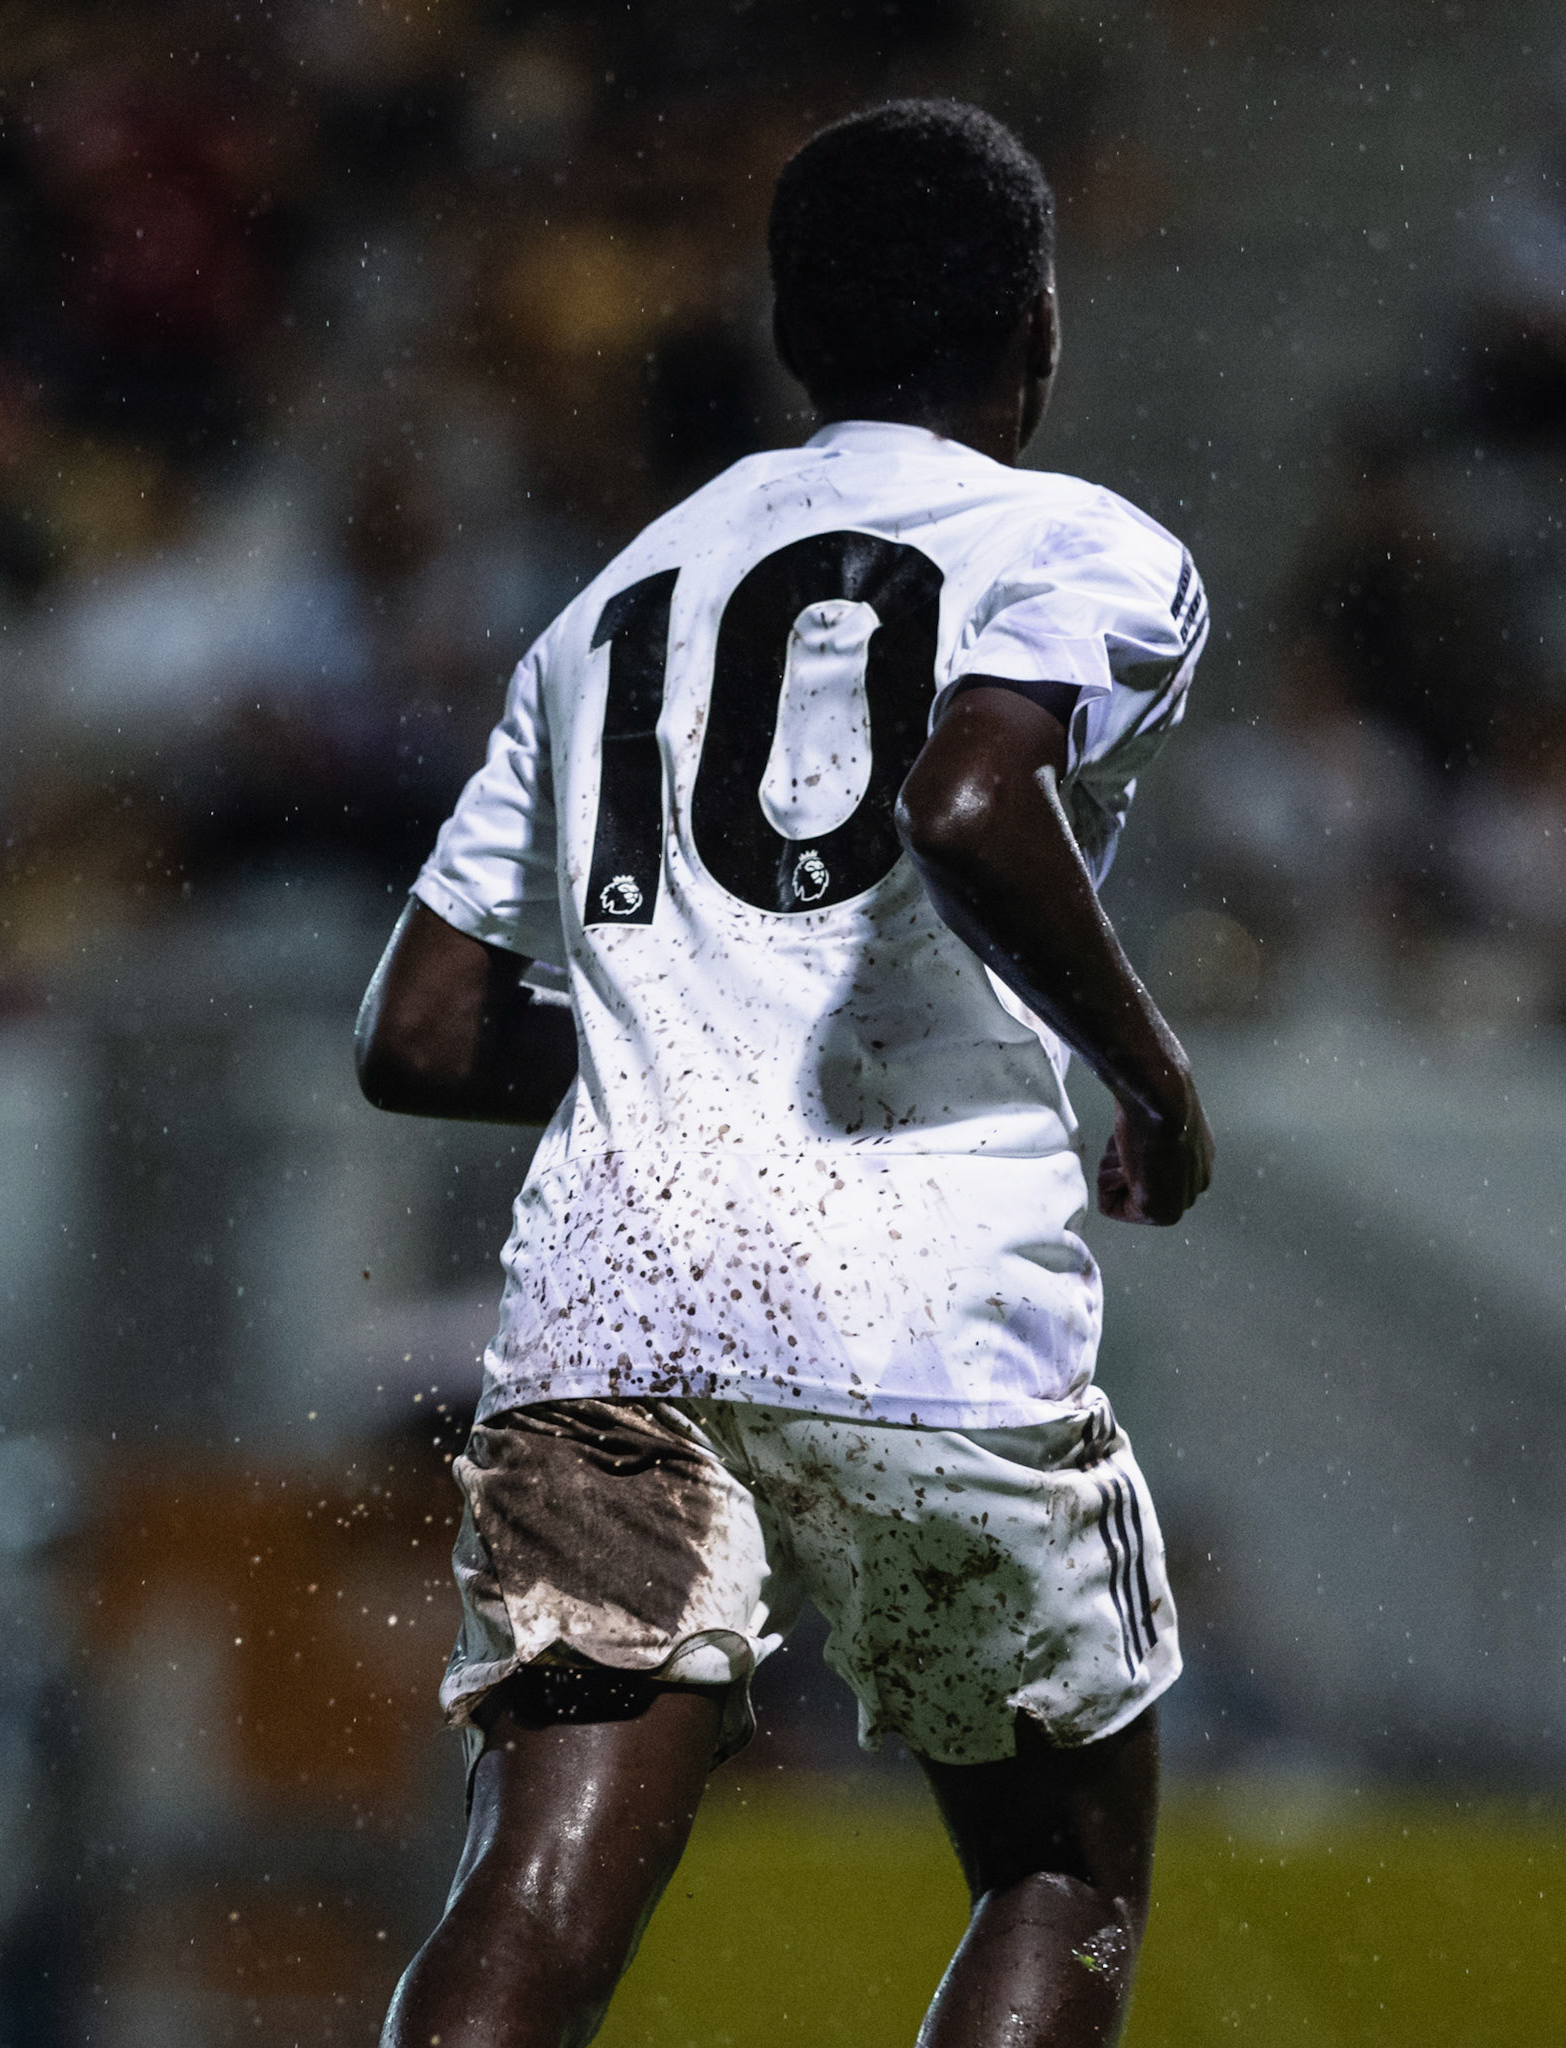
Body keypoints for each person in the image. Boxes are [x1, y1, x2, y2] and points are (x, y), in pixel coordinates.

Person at [356, 98, 1213, 2048]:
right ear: (1041, 329)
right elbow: (973, 794)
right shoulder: (1080, 542)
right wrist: (1157, 1082)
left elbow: (415, 1032)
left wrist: (689, 1040)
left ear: (790, 334)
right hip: (922, 1313)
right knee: (1058, 1879)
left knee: (542, 1888)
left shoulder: (609, 605)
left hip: (612, 1321)